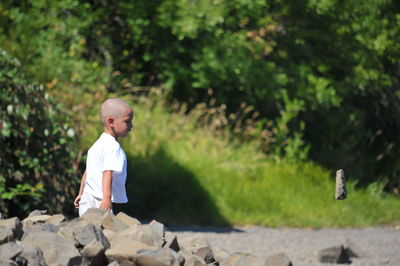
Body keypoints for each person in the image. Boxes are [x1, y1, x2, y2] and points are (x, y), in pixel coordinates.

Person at [74, 97, 133, 216]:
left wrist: (81, 193)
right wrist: (106, 198)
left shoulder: (98, 144)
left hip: (87, 198)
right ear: (111, 122)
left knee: (88, 231)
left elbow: (88, 172)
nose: (131, 126)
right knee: (105, 231)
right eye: (127, 121)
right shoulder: (113, 147)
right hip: (99, 200)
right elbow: (107, 172)